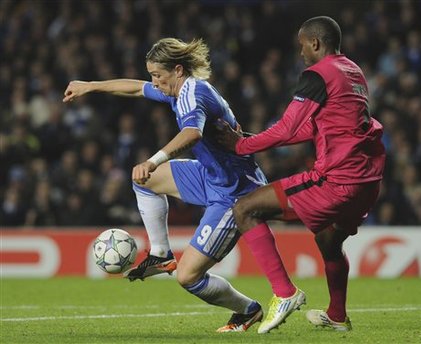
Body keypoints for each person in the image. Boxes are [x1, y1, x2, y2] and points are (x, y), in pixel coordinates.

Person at [63, 37, 297, 333]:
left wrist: (154, 159)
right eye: (152, 75)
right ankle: (161, 254)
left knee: (188, 277)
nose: (154, 82)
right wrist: (90, 85)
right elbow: (135, 87)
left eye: (157, 75)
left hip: (234, 192)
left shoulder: (193, 93)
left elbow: (192, 134)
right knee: (146, 182)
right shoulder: (178, 89)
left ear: (177, 70)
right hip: (210, 174)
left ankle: (246, 310)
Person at [217, 16, 385, 332]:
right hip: (367, 182)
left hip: (337, 180)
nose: (301, 53)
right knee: (329, 242)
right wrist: (251, 139)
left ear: (315, 43)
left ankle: (285, 293)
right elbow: (313, 128)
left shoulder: (317, 74)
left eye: (302, 45)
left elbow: (288, 127)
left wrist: (241, 146)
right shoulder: (352, 71)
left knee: (245, 209)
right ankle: (337, 315)